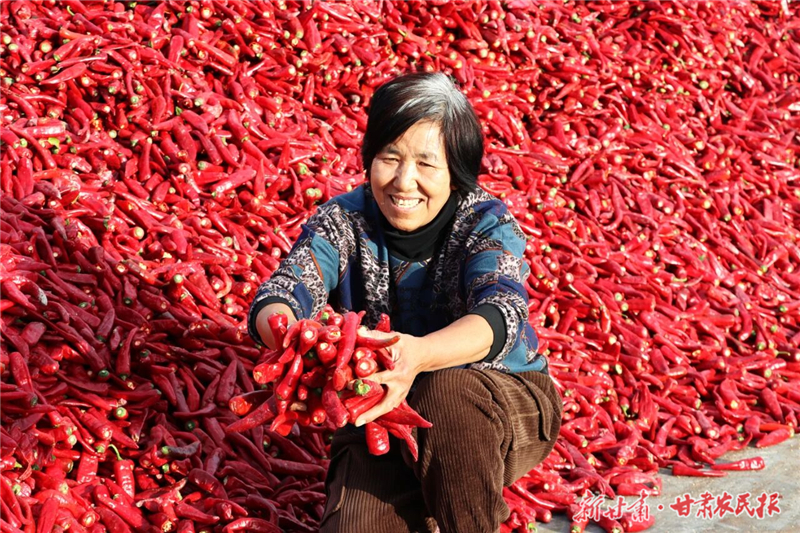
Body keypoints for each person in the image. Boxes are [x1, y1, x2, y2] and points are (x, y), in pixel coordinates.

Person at [248, 72, 562, 533]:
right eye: (389, 157)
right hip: (378, 409)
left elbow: (501, 314)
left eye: (426, 164)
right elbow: (282, 292)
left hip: (500, 400)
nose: (403, 181)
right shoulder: (343, 222)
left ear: (457, 172)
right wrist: (294, 339)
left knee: (445, 393)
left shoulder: (486, 222)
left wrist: (415, 356)